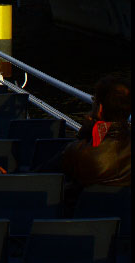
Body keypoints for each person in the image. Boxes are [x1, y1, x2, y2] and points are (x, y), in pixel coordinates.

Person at [35, 74, 131, 212]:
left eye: (94, 101)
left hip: (80, 221)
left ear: (100, 109)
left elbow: (41, 176)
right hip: (121, 225)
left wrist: (85, 132)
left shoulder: (78, 152)